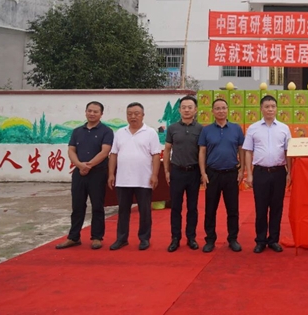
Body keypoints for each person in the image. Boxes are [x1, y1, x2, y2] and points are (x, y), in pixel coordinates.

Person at [56, 101, 114, 250]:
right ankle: (73, 237)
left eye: (95, 111)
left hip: (98, 173)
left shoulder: (106, 131)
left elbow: (105, 152)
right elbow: (71, 150)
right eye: (90, 111)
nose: (92, 114)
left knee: (97, 206)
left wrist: (89, 166)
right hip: (79, 173)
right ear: (86, 112)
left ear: (101, 114)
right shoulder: (77, 131)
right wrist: (80, 165)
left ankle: (97, 237)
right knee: (77, 206)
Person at [108, 102, 162, 251]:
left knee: (145, 211)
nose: (133, 116)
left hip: (143, 179)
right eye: (130, 114)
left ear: (143, 115)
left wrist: (154, 175)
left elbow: (156, 155)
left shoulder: (150, 132)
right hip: (123, 179)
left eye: (136, 113)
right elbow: (113, 154)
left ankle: (144, 238)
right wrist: (111, 174)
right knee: (123, 211)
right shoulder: (120, 132)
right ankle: (121, 238)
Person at [243, 95, 292, 254]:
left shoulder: (284, 128)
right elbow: (248, 152)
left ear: (276, 109)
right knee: (261, 207)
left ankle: (274, 240)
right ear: (261, 109)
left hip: (279, 172)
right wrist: (249, 174)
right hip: (260, 172)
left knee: (277, 207)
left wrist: (289, 172)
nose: (270, 109)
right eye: (267, 106)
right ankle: (261, 240)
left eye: (273, 106)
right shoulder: (253, 128)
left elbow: (288, 152)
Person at [198, 98, 245, 253]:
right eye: (217, 108)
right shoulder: (206, 130)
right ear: (212, 111)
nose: (221, 111)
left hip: (231, 173)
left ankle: (233, 239)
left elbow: (241, 149)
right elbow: (202, 152)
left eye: (223, 108)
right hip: (212, 174)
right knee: (210, 209)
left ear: (228, 110)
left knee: (233, 209)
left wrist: (242, 169)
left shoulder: (236, 129)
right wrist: (203, 172)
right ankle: (210, 239)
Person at [164, 96, 203, 253]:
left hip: (194, 172)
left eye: (190, 107)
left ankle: (191, 237)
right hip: (177, 172)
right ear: (179, 110)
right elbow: (167, 150)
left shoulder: (201, 129)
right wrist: (167, 171)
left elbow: (203, 152)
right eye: (184, 107)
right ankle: (175, 238)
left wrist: (203, 172)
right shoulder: (172, 128)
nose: (187, 110)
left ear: (195, 110)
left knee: (192, 207)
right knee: (176, 207)